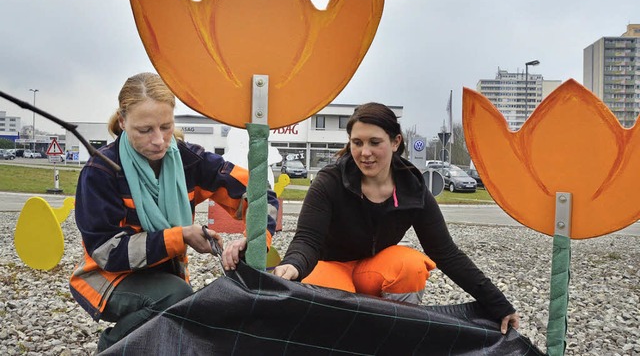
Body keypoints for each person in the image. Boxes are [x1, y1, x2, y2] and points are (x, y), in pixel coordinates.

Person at [69, 72, 278, 352]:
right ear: (122, 121)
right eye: (145, 130)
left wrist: (253, 239)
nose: (159, 140)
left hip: (164, 277)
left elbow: (260, 192)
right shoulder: (100, 172)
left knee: (183, 310)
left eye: (166, 127)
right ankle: (110, 349)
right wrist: (181, 236)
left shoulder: (189, 160)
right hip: (105, 278)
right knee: (176, 298)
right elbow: (107, 252)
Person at [271, 102, 519, 334]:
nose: (364, 152)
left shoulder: (412, 188)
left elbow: (446, 253)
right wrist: (292, 264)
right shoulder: (330, 181)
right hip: (329, 266)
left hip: (373, 269)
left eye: (374, 142)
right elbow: (308, 240)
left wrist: (498, 304)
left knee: (410, 264)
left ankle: (397, 336)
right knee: (335, 307)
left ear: (395, 141)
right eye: (357, 142)